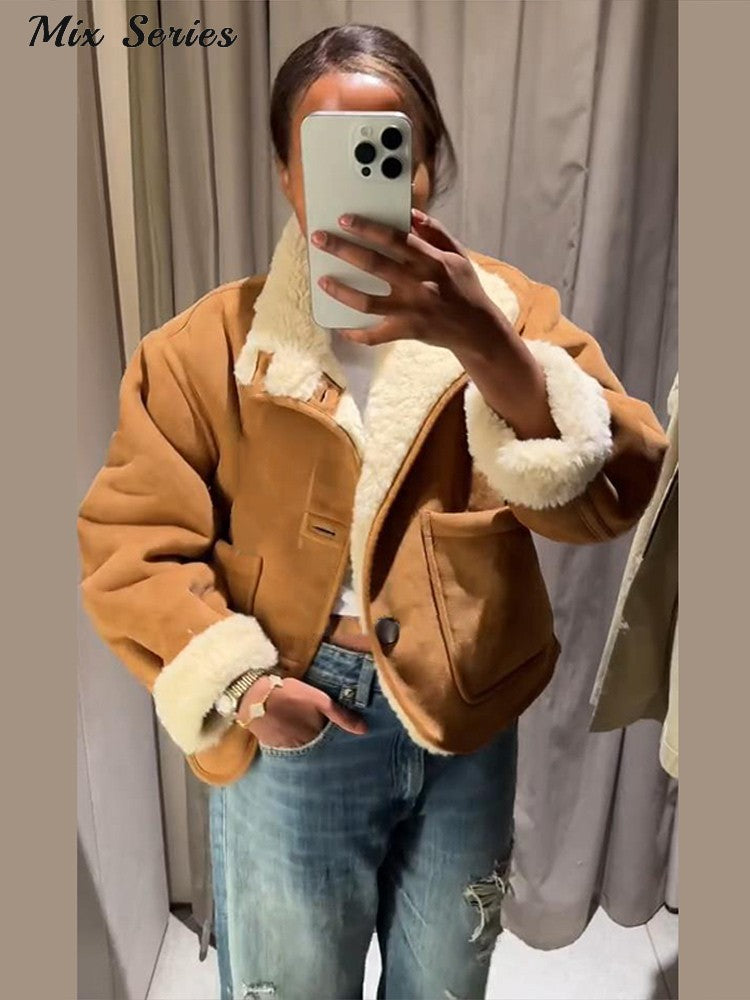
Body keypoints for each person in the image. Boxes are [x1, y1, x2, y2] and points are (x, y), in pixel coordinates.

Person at [77, 23, 670, 1000]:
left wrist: (489, 346)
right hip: (294, 706)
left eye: (392, 149)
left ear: (427, 166)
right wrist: (246, 690)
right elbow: (130, 547)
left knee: (446, 982)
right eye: (329, 151)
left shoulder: (511, 315)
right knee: (291, 986)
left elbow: (618, 487)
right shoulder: (205, 349)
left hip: (464, 712)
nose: (362, 180)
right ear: (286, 170)